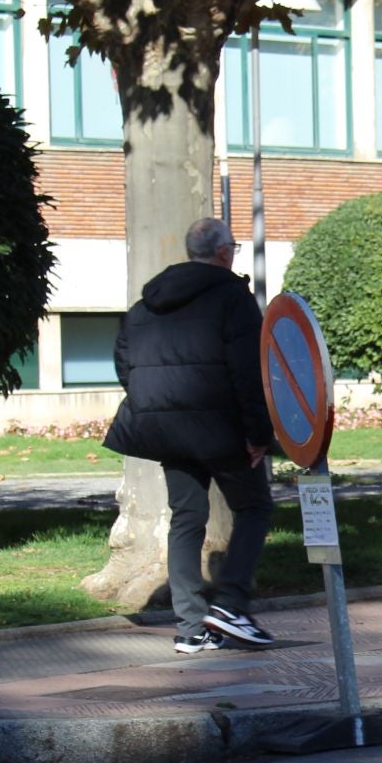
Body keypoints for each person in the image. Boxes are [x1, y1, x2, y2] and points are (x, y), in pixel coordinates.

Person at [103, 217, 278, 654]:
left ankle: (190, 627)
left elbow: (125, 362)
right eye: (234, 247)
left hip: (166, 431)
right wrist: (259, 433)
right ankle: (230, 606)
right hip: (223, 430)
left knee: (187, 518)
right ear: (223, 253)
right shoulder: (231, 297)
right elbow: (248, 370)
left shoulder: (148, 303)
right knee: (254, 507)